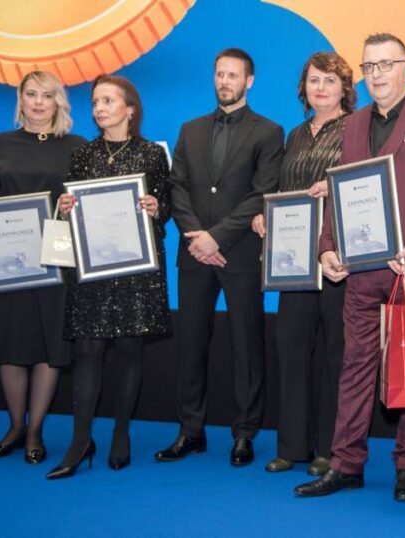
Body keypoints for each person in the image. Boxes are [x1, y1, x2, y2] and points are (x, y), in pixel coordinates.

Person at [294, 33, 405, 501]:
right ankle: (346, 464)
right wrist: (327, 246)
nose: (377, 74)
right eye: (369, 66)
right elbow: (341, 188)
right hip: (362, 272)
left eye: (387, 64)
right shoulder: (354, 123)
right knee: (354, 369)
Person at [155, 48, 284, 466]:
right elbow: (177, 187)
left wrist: (217, 238)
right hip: (194, 252)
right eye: (219, 74)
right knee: (191, 343)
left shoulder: (269, 132)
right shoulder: (190, 129)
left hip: (239, 253)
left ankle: (244, 433)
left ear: (249, 81)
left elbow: (262, 193)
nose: (224, 81)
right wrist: (197, 236)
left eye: (232, 75)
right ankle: (190, 430)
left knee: (247, 345)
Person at [46, 74, 172, 479]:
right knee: (88, 351)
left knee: (130, 350)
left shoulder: (152, 154)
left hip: (135, 270)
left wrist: (156, 207)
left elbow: (167, 206)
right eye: (95, 102)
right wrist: (67, 207)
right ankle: (80, 441)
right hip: (93, 269)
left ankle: (121, 434)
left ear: (130, 109)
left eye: (107, 101)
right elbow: (74, 210)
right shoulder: (82, 154)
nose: (99, 109)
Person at [0, 71, 86, 465]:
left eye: (46, 95)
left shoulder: (77, 147)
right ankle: (16, 427)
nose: (38, 102)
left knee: (49, 346)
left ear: (58, 102)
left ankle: (35, 432)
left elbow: (84, 203)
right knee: (9, 343)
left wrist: (72, 207)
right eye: (31, 94)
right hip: (8, 262)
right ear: (20, 100)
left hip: (54, 261)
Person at [250, 52, 355, 476]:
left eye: (330, 80)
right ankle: (292, 445)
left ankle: (330, 448)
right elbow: (282, 190)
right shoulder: (294, 135)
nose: (321, 88)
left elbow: (365, 187)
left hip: (336, 258)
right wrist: (264, 216)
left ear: (345, 88)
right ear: (303, 88)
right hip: (294, 260)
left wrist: (334, 188)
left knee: (334, 352)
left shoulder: (357, 129)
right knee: (290, 346)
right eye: (314, 80)